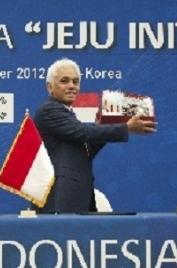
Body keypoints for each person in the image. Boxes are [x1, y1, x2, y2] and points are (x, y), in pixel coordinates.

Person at [32, 58, 156, 213]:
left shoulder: (66, 113)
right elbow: (83, 132)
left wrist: (101, 127)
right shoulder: (49, 110)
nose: (71, 86)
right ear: (50, 87)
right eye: (65, 81)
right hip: (59, 198)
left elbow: (85, 151)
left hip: (76, 196)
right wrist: (126, 127)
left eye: (75, 82)